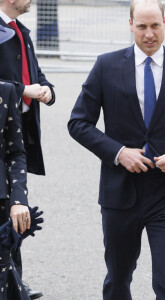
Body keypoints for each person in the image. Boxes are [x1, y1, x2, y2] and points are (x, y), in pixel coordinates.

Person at [68, 0, 165, 298]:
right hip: (120, 192)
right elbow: (78, 123)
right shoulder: (106, 65)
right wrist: (119, 152)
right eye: (141, 27)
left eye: (155, 26)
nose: (149, 34)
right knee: (119, 278)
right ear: (130, 25)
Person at [0, 0, 56, 298]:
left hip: (19, 131)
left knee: (13, 209)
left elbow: (35, 73)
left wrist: (47, 90)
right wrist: (22, 91)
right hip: (2, 132)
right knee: (9, 209)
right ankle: (13, 282)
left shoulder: (20, 31)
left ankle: (14, 280)